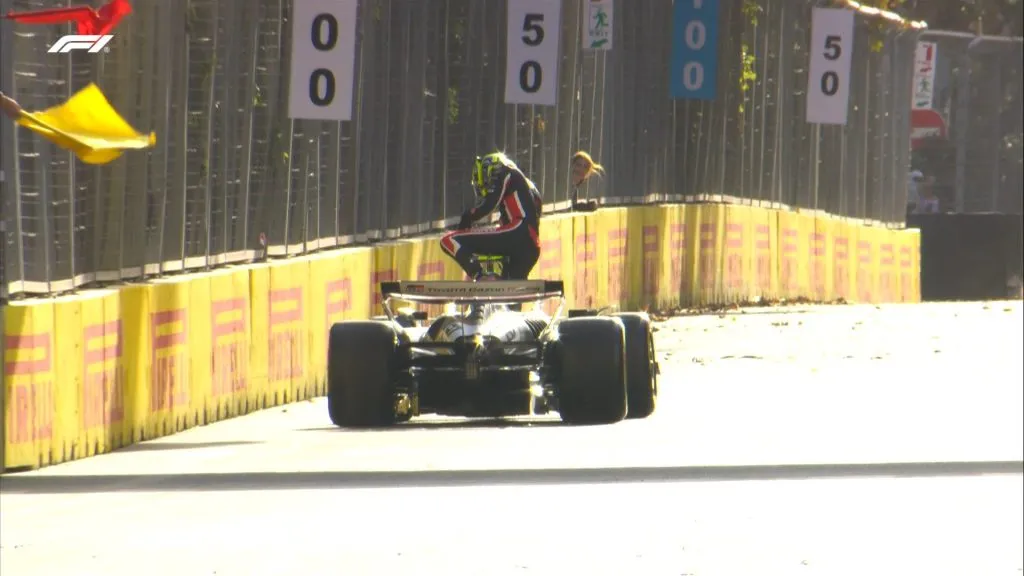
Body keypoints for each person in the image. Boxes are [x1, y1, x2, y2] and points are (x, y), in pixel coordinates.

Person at [440, 152, 542, 281]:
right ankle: (494, 282)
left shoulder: (505, 171)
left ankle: (479, 276)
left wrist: (468, 216)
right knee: (509, 292)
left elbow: (488, 206)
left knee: (449, 240)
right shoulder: (525, 187)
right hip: (532, 247)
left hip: (517, 233)